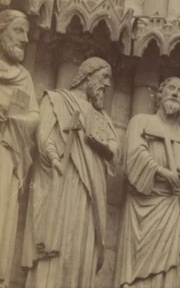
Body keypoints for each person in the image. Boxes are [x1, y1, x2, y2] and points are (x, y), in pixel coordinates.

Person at [24, 57, 119, 288]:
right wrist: (54, 158)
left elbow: (115, 148)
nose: (107, 85)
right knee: (59, 246)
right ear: (88, 75)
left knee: (81, 250)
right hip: (64, 182)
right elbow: (44, 135)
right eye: (104, 77)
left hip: (91, 192)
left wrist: (103, 146)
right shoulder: (57, 99)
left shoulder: (102, 117)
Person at [115, 78, 180, 288]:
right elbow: (134, 154)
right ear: (159, 94)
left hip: (172, 209)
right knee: (137, 269)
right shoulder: (141, 121)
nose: (175, 94)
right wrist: (162, 172)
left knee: (168, 270)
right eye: (171, 88)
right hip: (144, 204)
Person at [0, 10, 36, 287]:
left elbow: (34, 116)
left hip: (7, 154)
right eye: (18, 31)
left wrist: (13, 117)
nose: (25, 39)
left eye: (26, 33)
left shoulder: (24, 77)